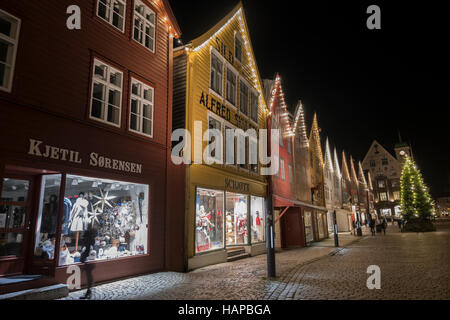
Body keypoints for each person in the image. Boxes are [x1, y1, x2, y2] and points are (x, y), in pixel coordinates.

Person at [79, 223, 97, 300]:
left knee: (89, 276)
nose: (82, 238)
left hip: (88, 260)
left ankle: (89, 291)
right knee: (89, 276)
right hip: (90, 260)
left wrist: (83, 257)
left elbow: (87, 249)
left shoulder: (89, 240)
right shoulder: (91, 239)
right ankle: (89, 291)